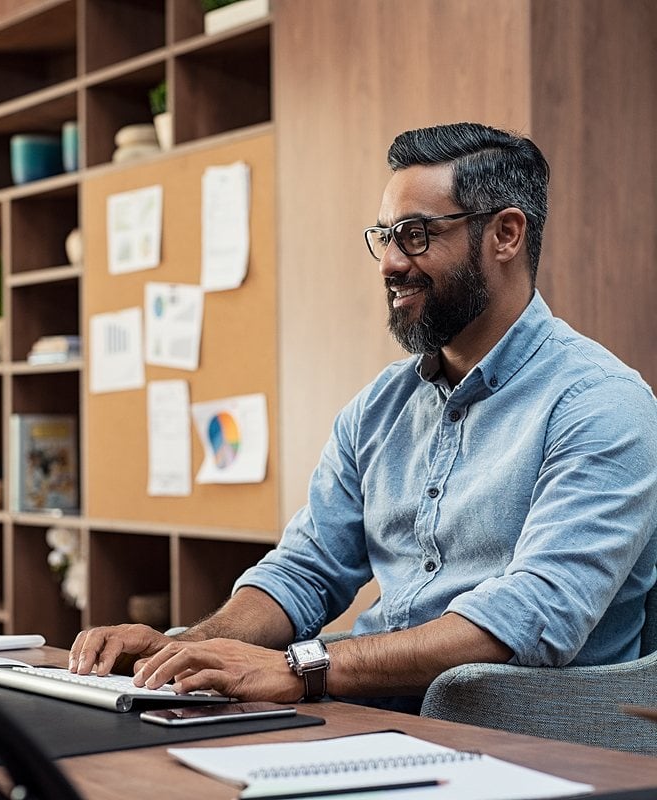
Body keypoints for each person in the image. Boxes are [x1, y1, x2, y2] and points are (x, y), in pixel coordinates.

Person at [69, 122, 657, 713]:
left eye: (417, 235)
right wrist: (184, 650)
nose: (390, 264)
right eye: (385, 237)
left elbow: (532, 615)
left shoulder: (601, 404)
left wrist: (305, 668)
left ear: (505, 235)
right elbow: (306, 571)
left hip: (523, 744)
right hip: (372, 715)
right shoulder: (379, 408)